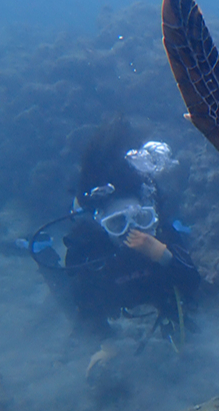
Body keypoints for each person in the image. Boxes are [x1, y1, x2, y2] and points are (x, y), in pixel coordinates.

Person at [30, 118, 200, 350]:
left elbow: (192, 284)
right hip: (109, 292)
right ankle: (44, 251)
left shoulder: (162, 237)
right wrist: (106, 346)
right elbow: (84, 310)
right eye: (117, 223)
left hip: (153, 290)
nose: (134, 233)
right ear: (101, 224)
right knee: (66, 298)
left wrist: (164, 256)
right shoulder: (90, 251)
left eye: (142, 220)